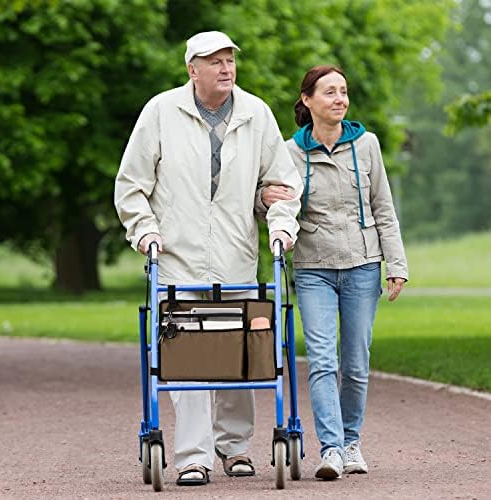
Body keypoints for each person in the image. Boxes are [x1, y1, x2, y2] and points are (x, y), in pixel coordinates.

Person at [114, 31, 302, 486]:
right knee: (187, 356)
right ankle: (193, 457)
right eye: (213, 61)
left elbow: (282, 184)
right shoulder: (161, 111)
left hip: (236, 253)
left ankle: (235, 448)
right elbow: (131, 185)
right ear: (191, 69)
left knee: (242, 350)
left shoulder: (256, 113)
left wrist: (279, 221)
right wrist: (146, 232)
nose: (225, 68)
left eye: (229, 60)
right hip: (177, 256)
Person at [261, 65, 408, 480]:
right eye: (330, 92)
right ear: (307, 100)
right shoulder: (290, 152)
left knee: (356, 362)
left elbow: (384, 209)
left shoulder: (368, 146)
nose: (340, 99)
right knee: (323, 361)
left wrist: (396, 264)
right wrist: (263, 197)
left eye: (343, 92)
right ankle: (331, 450)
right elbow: (273, 199)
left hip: (363, 265)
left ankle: (351, 441)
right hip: (313, 269)